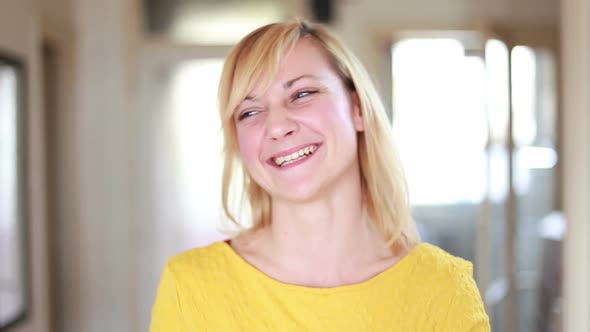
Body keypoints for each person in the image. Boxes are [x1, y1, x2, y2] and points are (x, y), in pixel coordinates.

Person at [150, 20, 490, 331]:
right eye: (250, 111)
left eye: (302, 94)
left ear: (358, 108)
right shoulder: (190, 287)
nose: (278, 126)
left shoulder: (444, 291)